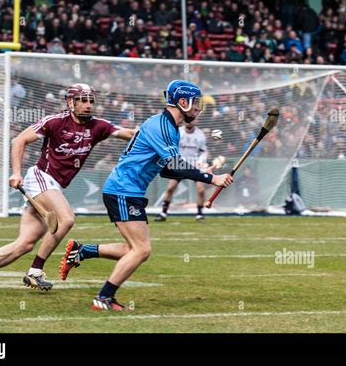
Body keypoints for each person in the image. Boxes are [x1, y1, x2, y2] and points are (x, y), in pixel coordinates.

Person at [59, 80, 234, 311]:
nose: (197, 109)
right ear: (182, 102)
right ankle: (103, 299)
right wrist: (212, 179)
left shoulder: (170, 128)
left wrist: (202, 173)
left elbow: (167, 169)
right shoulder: (161, 126)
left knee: (136, 248)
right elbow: (175, 165)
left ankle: (83, 251)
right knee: (141, 250)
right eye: (195, 103)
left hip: (129, 191)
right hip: (123, 190)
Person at [0, 84, 135, 293]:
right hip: (41, 178)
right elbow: (19, 140)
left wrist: (162, 128)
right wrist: (16, 172)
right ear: (71, 103)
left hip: (55, 186)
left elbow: (131, 133)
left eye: (90, 101)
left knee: (25, 244)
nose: (88, 105)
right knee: (67, 219)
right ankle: (35, 271)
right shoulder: (55, 121)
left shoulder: (99, 126)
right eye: (82, 100)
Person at [154, 116, 209, 222]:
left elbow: (204, 152)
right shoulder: (178, 132)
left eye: (192, 119)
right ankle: (163, 213)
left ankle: (200, 214)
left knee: (201, 190)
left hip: (195, 165)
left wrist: (201, 161)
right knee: (170, 187)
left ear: (196, 121)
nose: (190, 122)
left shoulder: (200, 135)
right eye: (188, 120)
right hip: (180, 164)